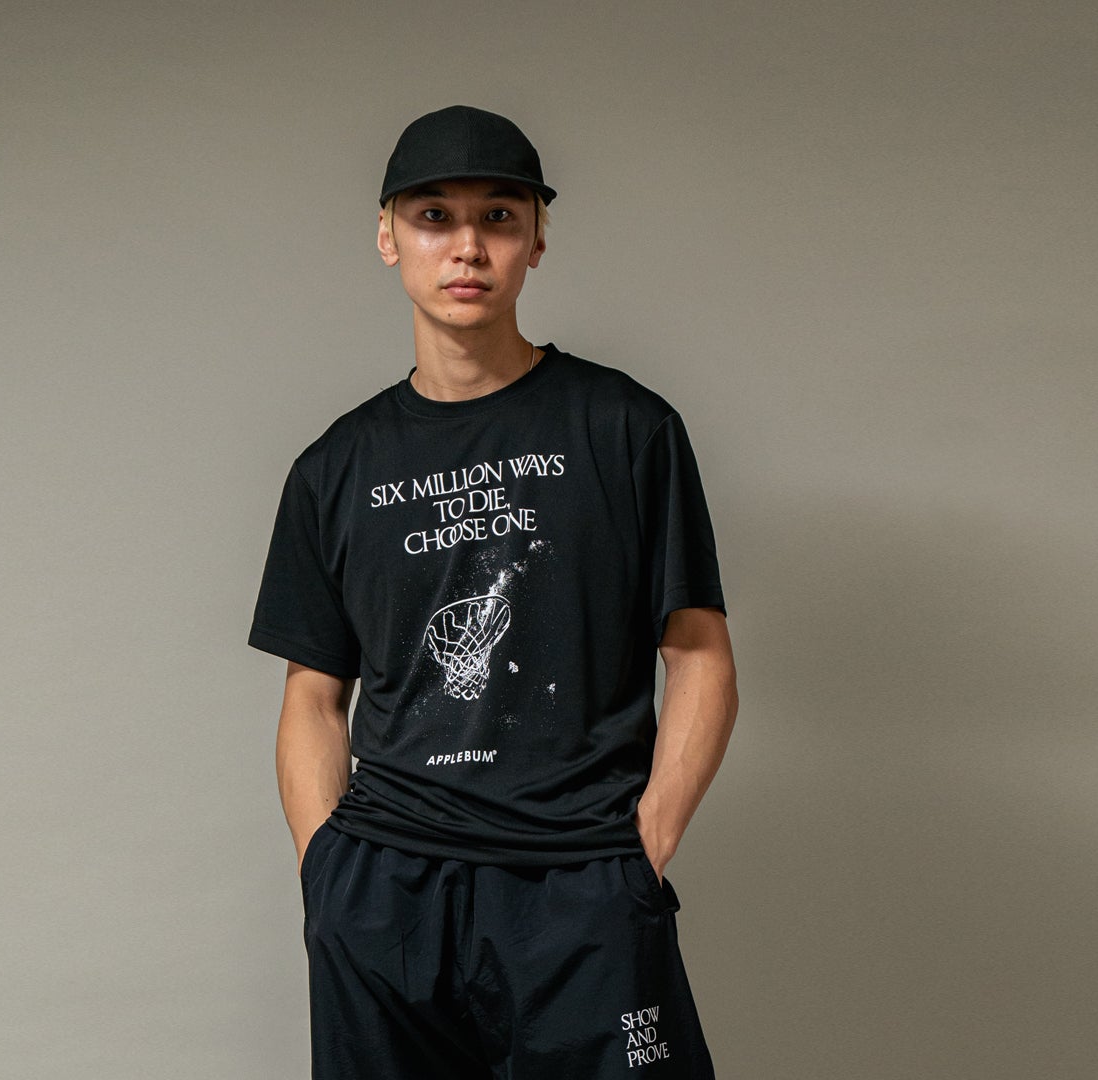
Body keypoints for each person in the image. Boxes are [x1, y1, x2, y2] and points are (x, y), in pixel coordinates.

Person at [248, 104, 739, 1079]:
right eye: (434, 216)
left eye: (499, 217)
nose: (467, 245)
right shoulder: (333, 469)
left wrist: (644, 844)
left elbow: (699, 655)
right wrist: (326, 875)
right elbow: (312, 698)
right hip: (385, 896)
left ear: (536, 239)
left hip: (579, 885)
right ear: (388, 236)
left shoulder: (626, 429)